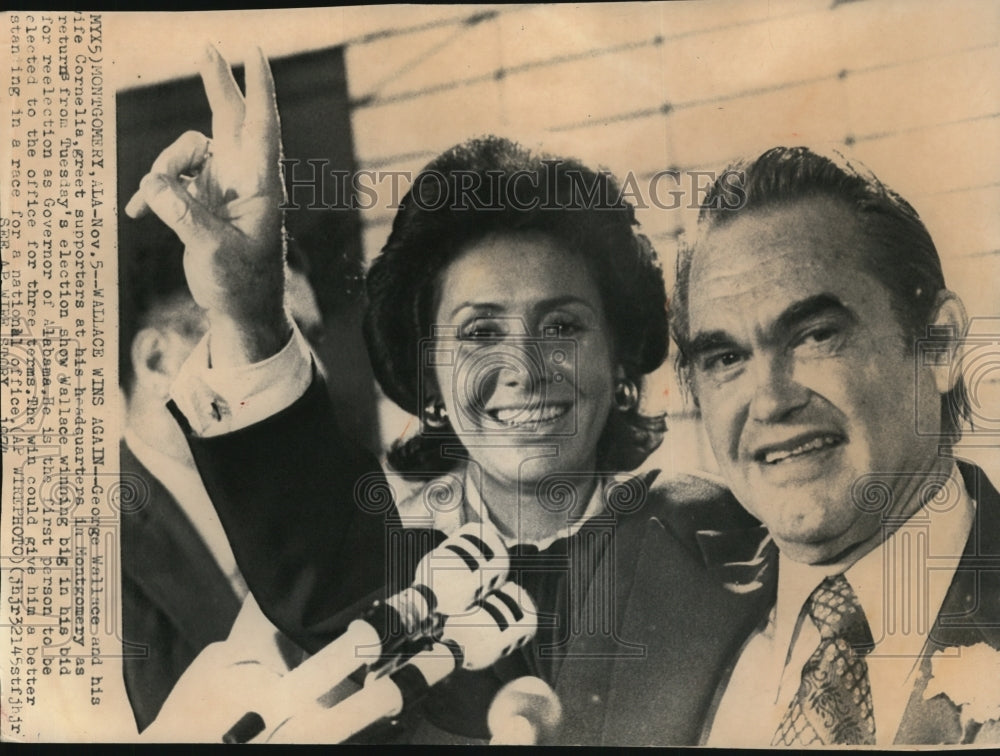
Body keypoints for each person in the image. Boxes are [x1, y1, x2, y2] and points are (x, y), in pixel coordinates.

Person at [124, 47, 751, 744]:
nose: (525, 367)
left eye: (564, 325)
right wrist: (249, 311)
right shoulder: (353, 579)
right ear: (430, 382)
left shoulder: (718, 542)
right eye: (480, 331)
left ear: (620, 356)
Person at [661, 146, 1000, 746]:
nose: (769, 401)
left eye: (815, 335)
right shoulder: (657, 627)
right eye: (727, 358)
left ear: (941, 344)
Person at [118, 229, 326, 731]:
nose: (314, 371)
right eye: (268, 338)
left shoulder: (308, 516)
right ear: (157, 359)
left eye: (310, 341)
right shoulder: (84, 550)